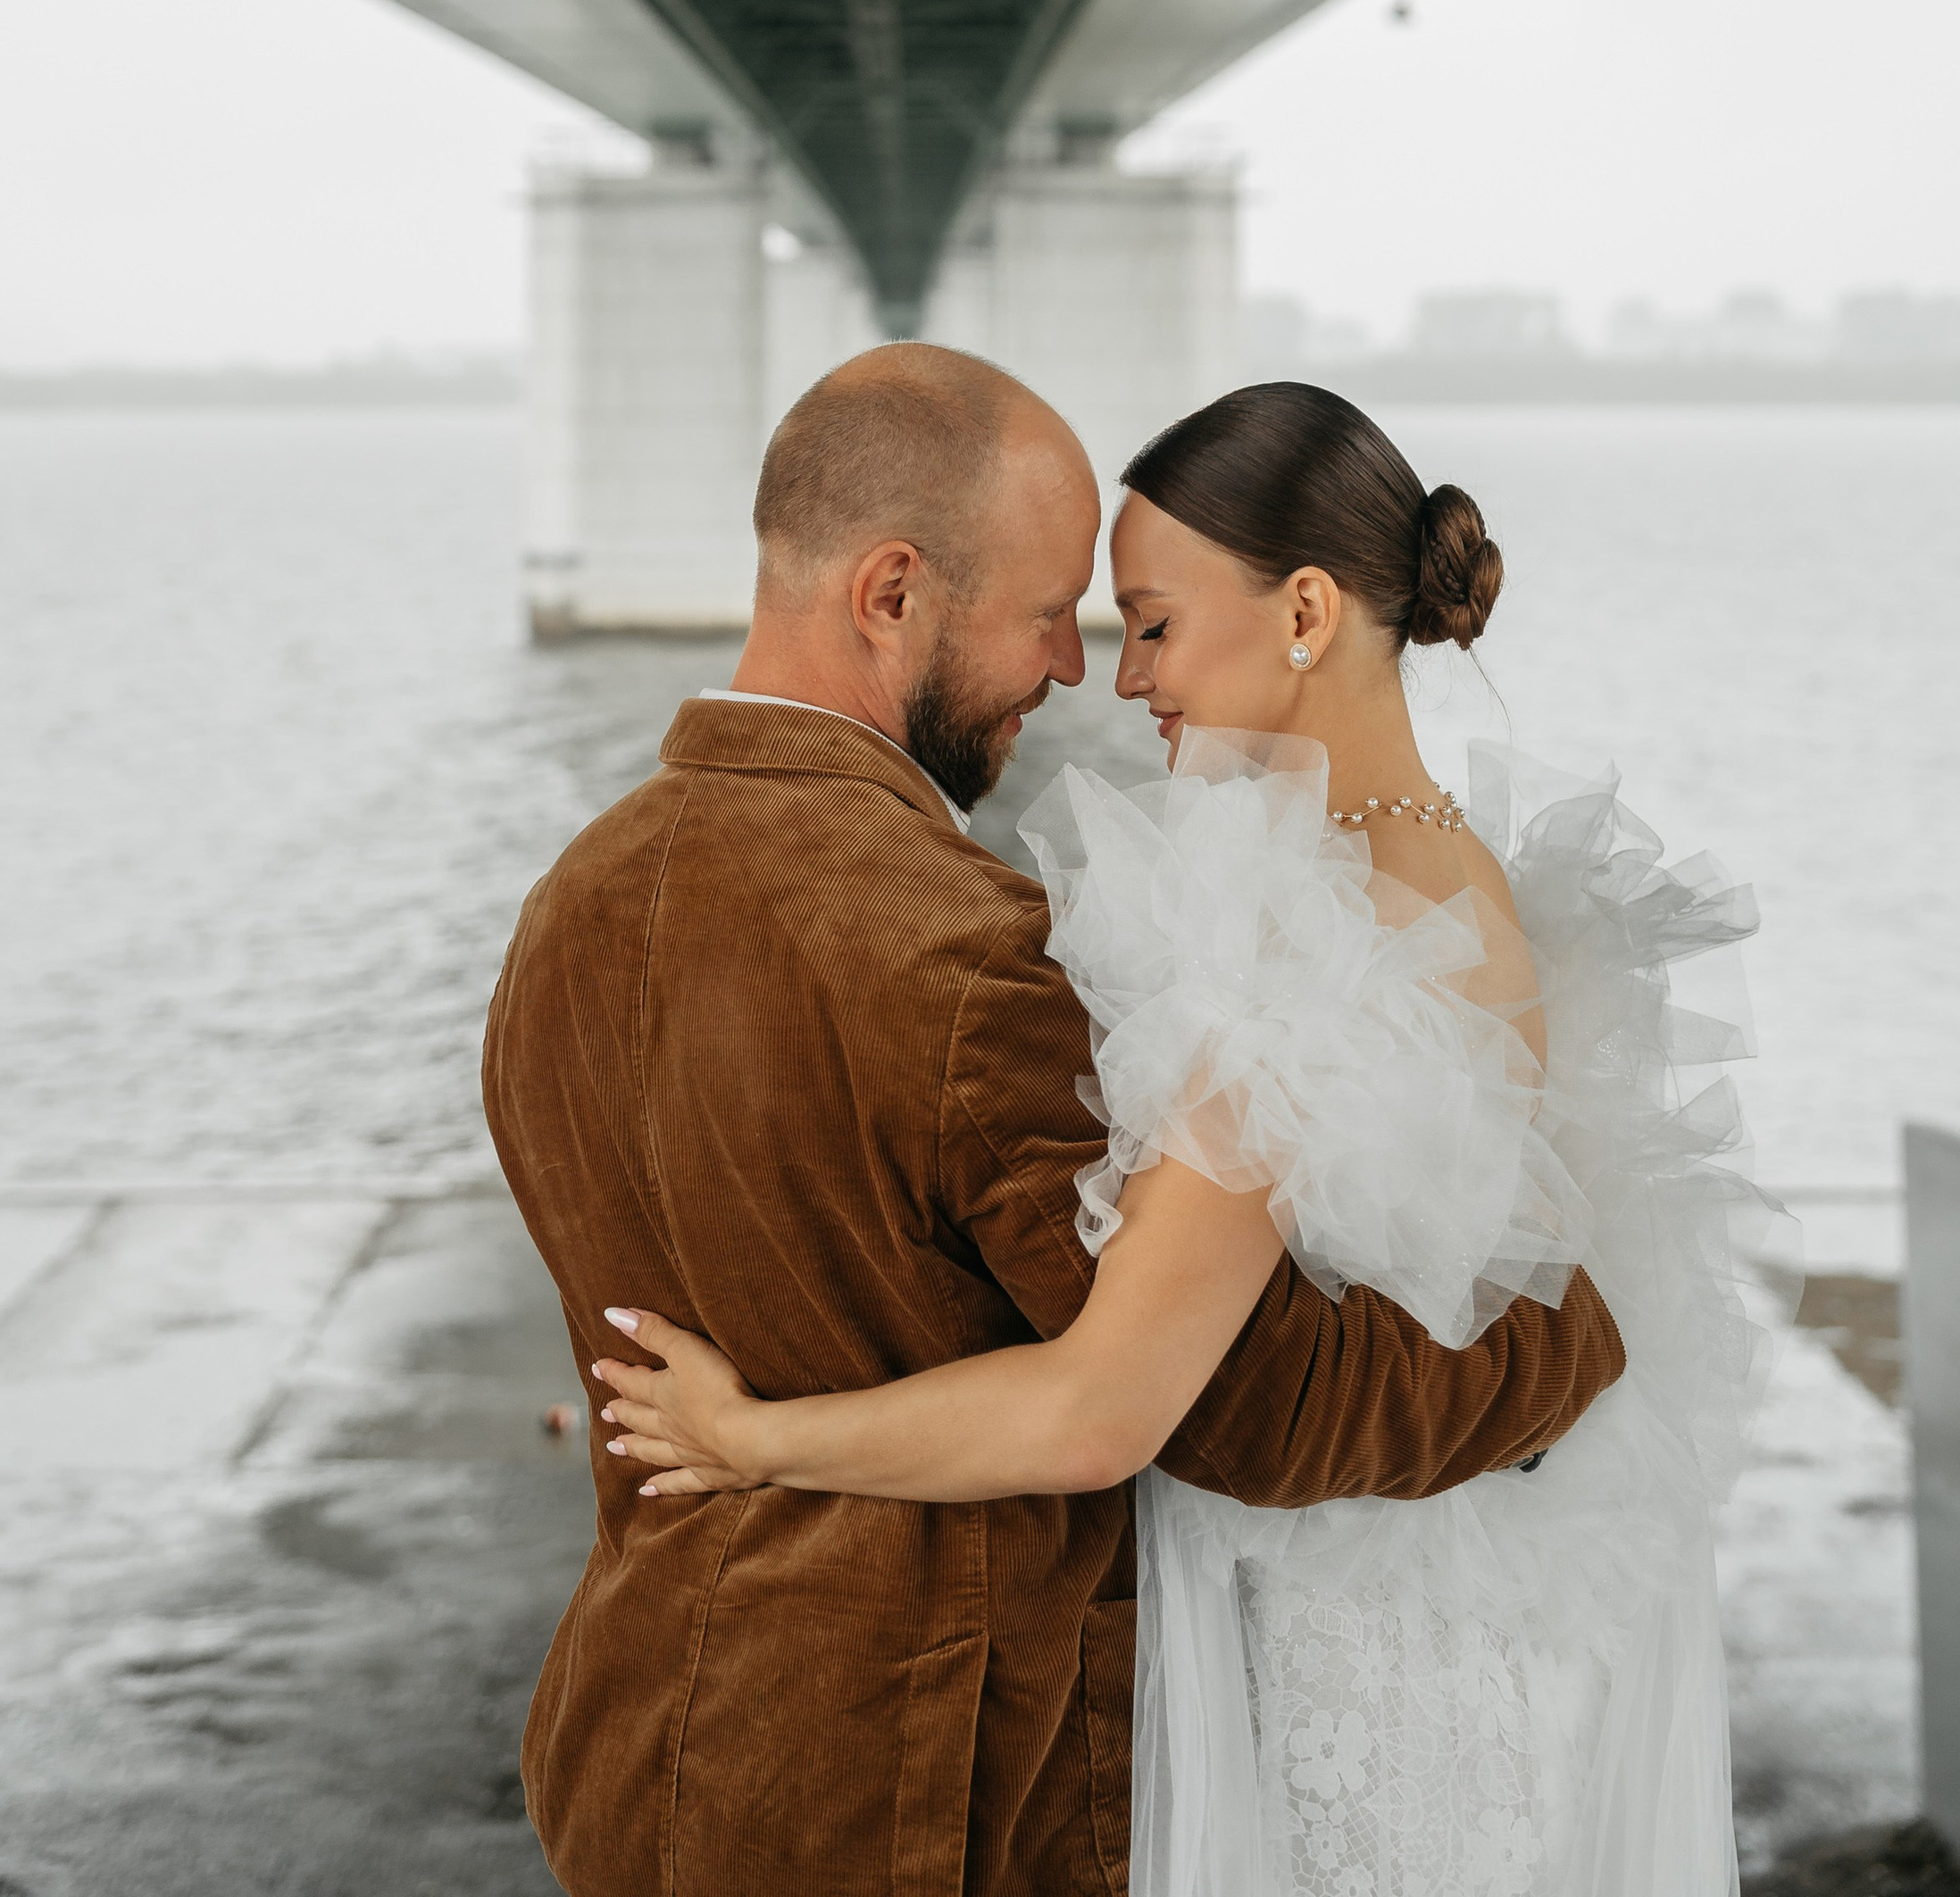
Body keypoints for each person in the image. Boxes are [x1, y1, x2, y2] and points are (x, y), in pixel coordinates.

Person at [596, 382, 1782, 1896]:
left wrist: (748, 1436)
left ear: (1300, 610)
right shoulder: (1455, 871)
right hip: (1461, 1611)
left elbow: (1104, 1411)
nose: (1120, 675)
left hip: (1343, 1662)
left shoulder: (1296, 919)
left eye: (1151, 621)